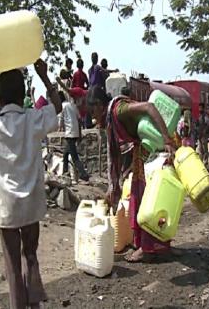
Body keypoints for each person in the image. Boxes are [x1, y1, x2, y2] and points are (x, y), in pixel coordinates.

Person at [0, 58, 62, 309]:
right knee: (30, 255)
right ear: (22, 95)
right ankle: (35, 304)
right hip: (31, 204)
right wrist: (44, 77)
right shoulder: (33, 119)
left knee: (12, 265)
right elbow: (58, 109)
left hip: (6, 207)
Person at [86, 85, 176, 262]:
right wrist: (114, 187)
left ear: (99, 105)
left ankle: (147, 247)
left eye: (92, 112)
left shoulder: (119, 110)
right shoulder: (111, 118)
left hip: (157, 147)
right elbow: (115, 155)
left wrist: (167, 139)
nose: (93, 117)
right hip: (145, 150)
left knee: (150, 200)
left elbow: (149, 107)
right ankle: (152, 245)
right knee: (144, 197)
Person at [57, 91, 90, 181]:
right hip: (74, 132)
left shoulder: (62, 107)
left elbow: (61, 120)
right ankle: (65, 172)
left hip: (69, 133)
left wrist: (59, 129)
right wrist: (79, 133)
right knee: (65, 154)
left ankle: (83, 174)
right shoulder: (72, 105)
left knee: (74, 157)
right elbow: (79, 119)